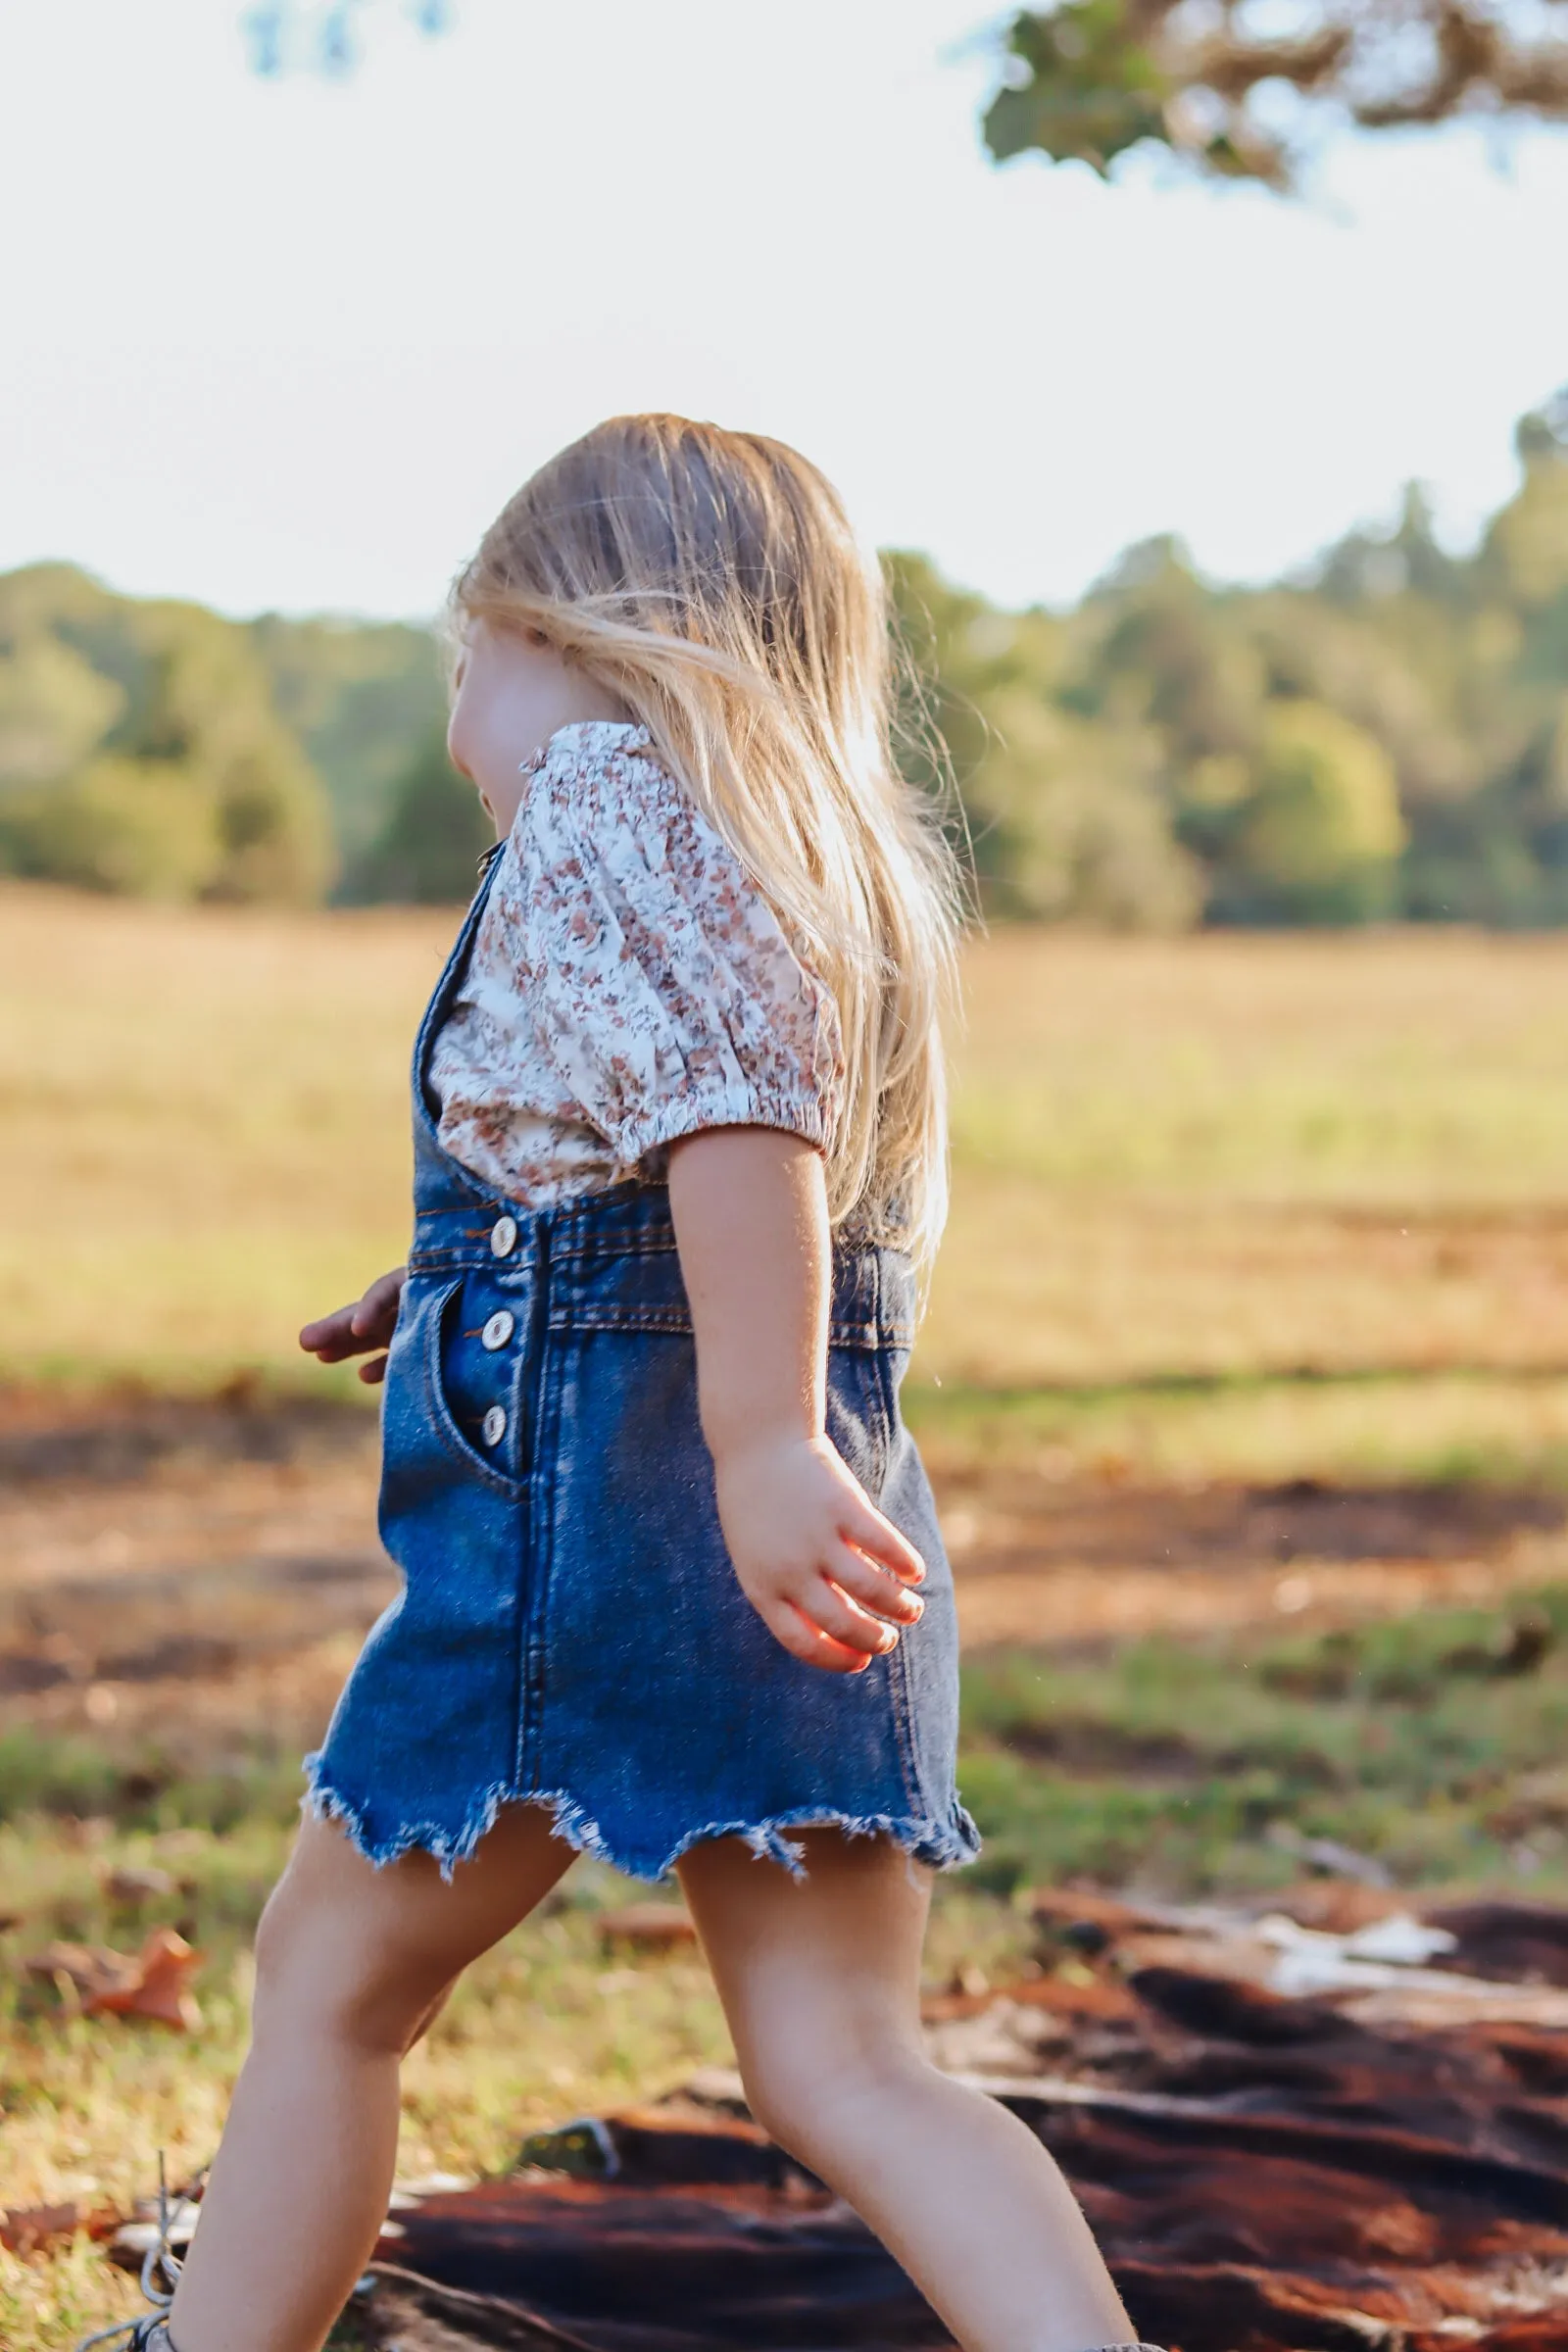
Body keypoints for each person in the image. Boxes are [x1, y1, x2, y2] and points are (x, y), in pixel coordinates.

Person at [93, 416, 1160, 2352]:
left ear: (588, 642)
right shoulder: (820, 858)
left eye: (466, 666)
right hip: (820, 1545)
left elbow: (735, 1133)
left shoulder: (603, 794)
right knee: (847, 2063)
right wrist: (436, 1290)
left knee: (332, 1979)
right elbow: (632, 1185)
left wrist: (744, 1441)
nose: (459, 731)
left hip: (600, 1553)